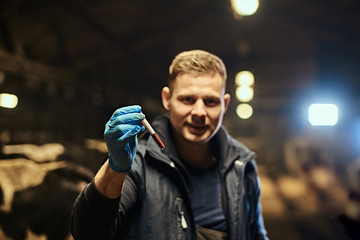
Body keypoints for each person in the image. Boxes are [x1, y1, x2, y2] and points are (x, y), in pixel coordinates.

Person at [71, 50, 269, 240]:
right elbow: (89, 233)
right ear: (167, 99)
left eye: (210, 101)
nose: (199, 112)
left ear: (225, 104)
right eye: (188, 100)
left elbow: (255, 233)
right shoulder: (138, 164)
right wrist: (114, 168)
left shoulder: (242, 164)